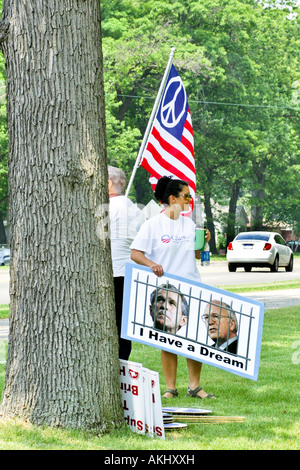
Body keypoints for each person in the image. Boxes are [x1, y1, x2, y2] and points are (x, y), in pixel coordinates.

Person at [131, 175, 215, 399]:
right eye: (186, 196)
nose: (190, 200)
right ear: (172, 198)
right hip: (166, 289)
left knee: (194, 337)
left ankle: (194, 386)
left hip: (192, 286)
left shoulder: (189, 224)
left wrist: (203, 241)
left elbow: (195, 255)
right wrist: (152, 264)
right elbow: (135, 253)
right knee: (168, 338)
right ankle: (170, 388)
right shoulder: (153, 224)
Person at [108, 166, 145, 360]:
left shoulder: (110, 208)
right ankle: (123, 364)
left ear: (108, 184)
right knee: (123, 327)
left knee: (113, 325)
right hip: (131, 272)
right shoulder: (135, 209)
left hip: (113, 273)